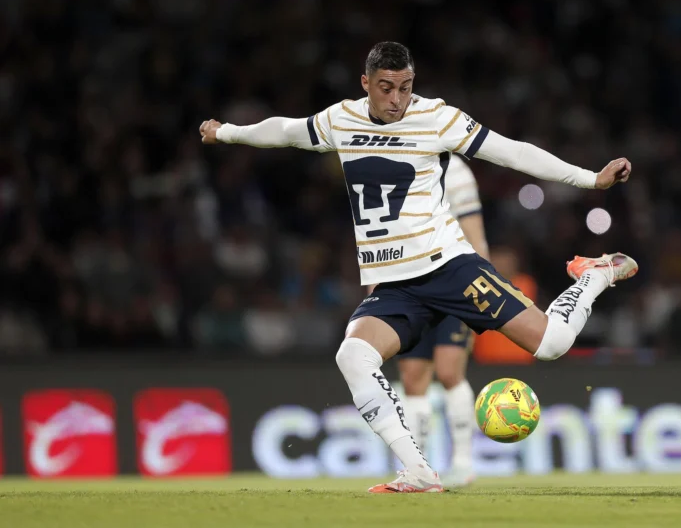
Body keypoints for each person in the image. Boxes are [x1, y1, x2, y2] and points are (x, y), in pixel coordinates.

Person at [199, 41, 637, 493]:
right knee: (352, 355)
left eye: (405, 88)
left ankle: (596, 273)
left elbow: (512, 152)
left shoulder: (437, 118)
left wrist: (590, 178)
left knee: (551, 343)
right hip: (393, 286)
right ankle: (419, 472)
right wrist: (228, 132)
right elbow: (287, 131)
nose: (397, 100)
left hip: (449, 267)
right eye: (386, 88)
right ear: (366, 84)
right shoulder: (340, 120)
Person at [377, 154, 488, 488]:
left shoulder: (454, 170)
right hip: (407, 283)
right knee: (412, 378)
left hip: (455, 281)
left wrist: (482, 288)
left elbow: (474, 233)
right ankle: (417, 464)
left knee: (449, 370)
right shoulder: (385, 166)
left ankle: (464, 463)